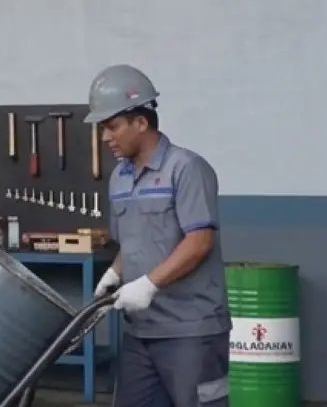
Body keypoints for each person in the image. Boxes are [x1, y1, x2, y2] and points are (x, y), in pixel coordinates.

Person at [87, 64, 230, 407]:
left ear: (141, 121)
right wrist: (115, 274)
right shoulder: (119, 178)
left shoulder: (186, 168)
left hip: (191, 333)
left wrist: (148, 284)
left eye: (111, 127)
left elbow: (199, 242)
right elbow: (131, 242)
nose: (105, 137)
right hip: (141, 332)